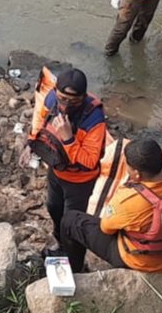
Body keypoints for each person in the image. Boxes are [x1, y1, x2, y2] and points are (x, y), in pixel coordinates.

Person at [60, 137, 162, 274]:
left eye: (127, 165)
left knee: (71, 220)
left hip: (140, 261)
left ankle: (75, 270)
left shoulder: (128, 200)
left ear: (136, 174)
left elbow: (106, 228)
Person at [20, 68, 106, 249]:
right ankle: (59, 242)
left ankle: (73, 256)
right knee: (53, 207)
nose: (66, 105)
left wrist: (68, 139)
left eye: (73, 101)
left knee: (71, 221)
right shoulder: (51, 100)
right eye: (63, 98)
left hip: (80, 182)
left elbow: (90, 162)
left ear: (83, 98)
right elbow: (39, 121)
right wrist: (31, 144)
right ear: (56, 92)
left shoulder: (93, 119)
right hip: (56, 169)